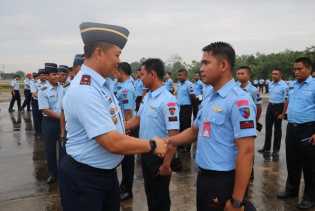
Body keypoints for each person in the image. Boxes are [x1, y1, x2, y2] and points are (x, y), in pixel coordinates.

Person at [59, 22, 167, 211]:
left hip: (104, 175)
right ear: (99, 52)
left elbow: (117, 126)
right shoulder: (85, 90)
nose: (119, 61)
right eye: (117, 54)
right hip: (86, 179)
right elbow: (111, 142)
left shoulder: (102, 85)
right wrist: (151, 144)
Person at [163, 42, 256, 211]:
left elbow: (247, 151)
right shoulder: (210, 97)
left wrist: (237, 201)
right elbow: (194, 131)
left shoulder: (239, 100)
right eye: (201, 63)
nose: (201, 68)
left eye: (206, 63)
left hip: (224, 180)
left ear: (223, 65)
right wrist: (168, 141)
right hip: (204, 176)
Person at [125, 58, 179, 211]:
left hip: (160, 157)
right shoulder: (147, 96)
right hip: (146, 152)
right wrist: (117, 129)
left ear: (153, 74)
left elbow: (173, 135)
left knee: (160, 199)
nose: (140, 78)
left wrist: (167, 164)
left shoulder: (168, 100)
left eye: (142, 74)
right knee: (151, 195)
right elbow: (137, 119)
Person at [278, 57, 315, 209]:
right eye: (295, 69)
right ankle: (291, 190)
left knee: (310, 165)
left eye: (300, 69)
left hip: (308, 128)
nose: (296, 72)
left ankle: (310, 196)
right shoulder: (293, 86)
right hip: (292, 128)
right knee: (292, 161)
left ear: (309, 69)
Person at [114, 62, 137, 201]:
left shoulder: (127, 89)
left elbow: (128, 112)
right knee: (123, 159)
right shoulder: (119, 85)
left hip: (126, 127)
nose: (114, 74)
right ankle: (123, 186)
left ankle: (127, 189)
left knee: (128, 160)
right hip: (121, 126)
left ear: (121, 72)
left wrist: (127, 130)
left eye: (116, 71)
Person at [38, 63, 64, 184]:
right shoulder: (43, 90)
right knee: (50, 150)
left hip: (62, 123)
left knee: (64, 148)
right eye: (54, 74)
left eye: (58, 74)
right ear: (48, 76)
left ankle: (63, 172)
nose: (57, 76)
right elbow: (45, 109)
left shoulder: (62, 88)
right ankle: (53, 173)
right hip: (50, 123)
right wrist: (62, 117)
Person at [259, 68, 288, 161]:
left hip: (279, 107)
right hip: (270, 106)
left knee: (277, 130)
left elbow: (286, 101)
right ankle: (266, 148)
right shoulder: (270, 84)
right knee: (268, 128)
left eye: (276, 74)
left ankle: (276, 150)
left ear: (280, 75)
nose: (273, 75)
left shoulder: (284, 86)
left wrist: (283, 114)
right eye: (272, 74)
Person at [176, 68, 194, 153]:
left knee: (186, 126)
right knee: (180, 126)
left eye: (180, 75)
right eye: (178, 75)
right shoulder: (179, 85)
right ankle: (180, 145)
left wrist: (193, 108)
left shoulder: (189, 84)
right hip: (179, 107)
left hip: (186, 108)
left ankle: (187, 146)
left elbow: (192, 97)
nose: (179, 77)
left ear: (186, 76)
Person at [30, 69, 48, 136]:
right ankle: (38, 132)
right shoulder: (34, 83)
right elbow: (34, 93)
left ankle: (44, 131)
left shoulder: (48, 82)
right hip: (36, 102)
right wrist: (43, 97)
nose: (43, 76)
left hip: (46, 102)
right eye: (41, 75)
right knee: (36, 118)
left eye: (44, 75)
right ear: (39, 76)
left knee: (44, 117)